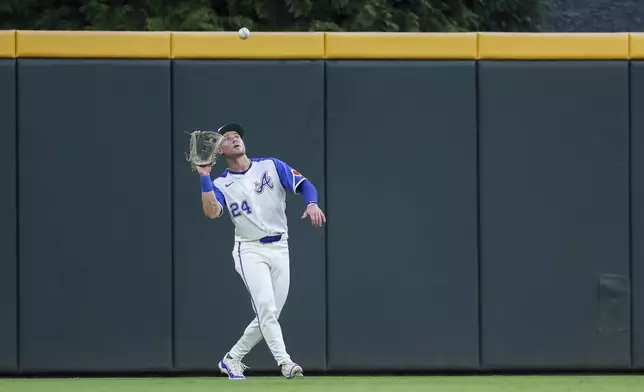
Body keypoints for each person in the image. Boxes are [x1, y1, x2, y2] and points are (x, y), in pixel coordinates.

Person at [196, 122, 326, 380]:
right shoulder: (221, 184)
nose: (234, 139)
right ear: (219, 151)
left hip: (280, 246)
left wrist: (312, 203)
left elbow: (304, 185)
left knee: (270, 313)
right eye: (227, 138)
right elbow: (211, 213)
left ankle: (232, 359)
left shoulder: (271, 166)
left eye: (236, 136)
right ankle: (285, 363)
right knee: (266, 308)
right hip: (250, 250)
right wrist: (203, 177)